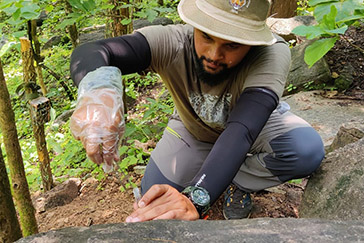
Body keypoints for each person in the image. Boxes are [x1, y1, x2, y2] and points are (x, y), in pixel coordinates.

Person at [69, 0, 325, 221]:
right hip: (194, 128)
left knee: (305, 150)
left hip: (256, 125)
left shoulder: (270, 54)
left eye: (232, 45)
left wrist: (197, 197)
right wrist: (97, 93)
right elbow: (93, 51)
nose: (214, 54)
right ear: (195, 26)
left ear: (252, 42)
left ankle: (239, 183)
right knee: (155, 195)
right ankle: (219, 172)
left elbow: (243, 130)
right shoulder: (173, 41)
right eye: (207, 37)